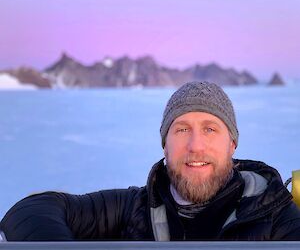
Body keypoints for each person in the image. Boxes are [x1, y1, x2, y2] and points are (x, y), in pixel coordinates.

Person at [1, 81, 300, 241]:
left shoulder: (275, 215)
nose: (196, 146)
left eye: (210, 129)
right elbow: (31, 210)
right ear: (165, 146)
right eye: (182, 130)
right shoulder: (134, 209)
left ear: (232, 143)